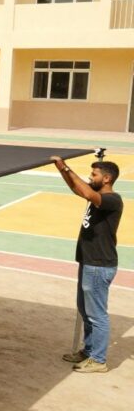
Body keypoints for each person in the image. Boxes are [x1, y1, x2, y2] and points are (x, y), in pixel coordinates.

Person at [53, 157, 122, 373]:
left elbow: (85, 192)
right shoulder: (97, 196)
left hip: (99, 265)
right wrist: (61, 170)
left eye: (94, 175)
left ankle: (98, 360)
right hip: (89, 262)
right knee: (85, 310)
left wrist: (65, 166)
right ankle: (89, 350)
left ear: (107, 178)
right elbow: (78, 189)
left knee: (97, 314)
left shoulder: (111, 199)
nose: (90, 178)